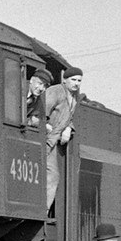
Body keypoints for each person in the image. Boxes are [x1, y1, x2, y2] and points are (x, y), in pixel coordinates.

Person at [43, 67, 82, 211]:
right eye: (73, 80)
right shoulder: (56, 91)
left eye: (79, 81)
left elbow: (67, 118)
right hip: (44, 137)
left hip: (53, 141)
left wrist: (69, 128)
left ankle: (44, 210)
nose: (76, 83)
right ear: (64, 80)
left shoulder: (74, 98)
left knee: (53, 175)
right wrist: (45, 125)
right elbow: (42, 110)